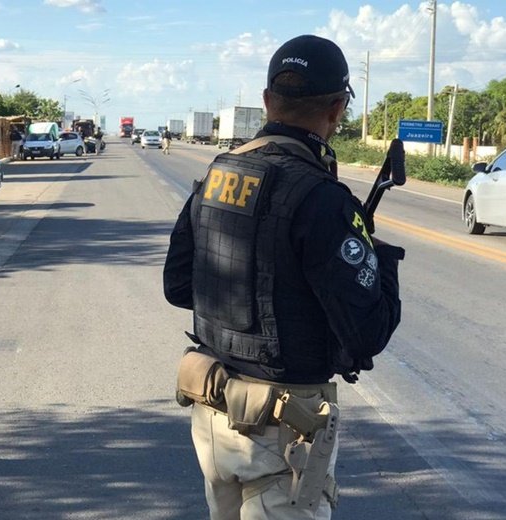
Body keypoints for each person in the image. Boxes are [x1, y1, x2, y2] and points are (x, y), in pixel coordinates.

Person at [163, 35, 404, 519]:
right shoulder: (322, 199)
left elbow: (178, 286)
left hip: (214, 418)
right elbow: (369, 334)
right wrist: (378, 257)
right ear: (337, 110)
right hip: (282, 434)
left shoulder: (218, 174)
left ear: (268, 100)